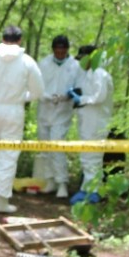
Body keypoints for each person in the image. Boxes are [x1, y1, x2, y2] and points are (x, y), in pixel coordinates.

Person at [0, 25, 44, 213]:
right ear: (20, 40)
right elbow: (38, 91)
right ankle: (1, 200)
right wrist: (22, 97)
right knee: (9, 153)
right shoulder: (27, 62)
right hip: (14, 109)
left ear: (3, 39)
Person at [33, 35, 81, 200]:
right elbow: (36, 85)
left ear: (67, 49)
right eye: (57, 49)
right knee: (44, 146)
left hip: (62, 111)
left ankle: (62, 183)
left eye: (63, 49)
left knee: (56, 145)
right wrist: (45, 96)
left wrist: (67, 96)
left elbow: (78, 88)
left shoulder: (75, 65)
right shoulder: (44, 63)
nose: (60, 52)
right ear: (53, 49)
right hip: (45, 109)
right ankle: (50, 180)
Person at [71, 44, 115, 196]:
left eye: (84, 59)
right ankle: (87, 189)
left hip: (97, 121)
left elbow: (99, 97)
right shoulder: (87, 74)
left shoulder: (100, 74)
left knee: (93, 157)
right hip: (87, 119)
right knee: (87, 156)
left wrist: (81, 98)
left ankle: (93, 192)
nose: (81, 62)